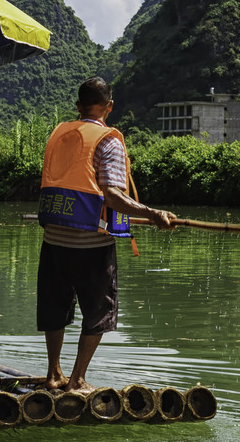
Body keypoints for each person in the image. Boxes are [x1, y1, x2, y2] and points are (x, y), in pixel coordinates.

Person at [36, 77, 177, 391]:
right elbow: (112, 195)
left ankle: (53, 374)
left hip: (54, 239)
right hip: (92, 243)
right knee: (99, 310)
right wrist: (152, 214)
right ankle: (77, 379)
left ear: (78, 106)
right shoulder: (107, 140)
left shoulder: (59, 134)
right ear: (109, 106)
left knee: (54, 306)